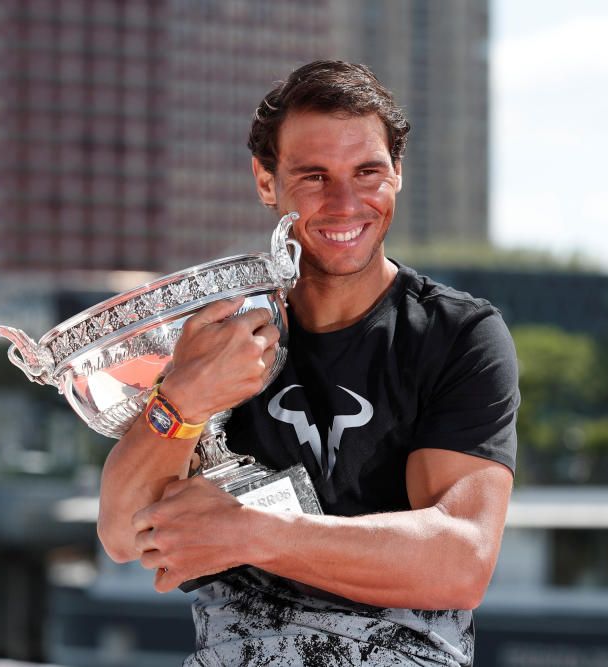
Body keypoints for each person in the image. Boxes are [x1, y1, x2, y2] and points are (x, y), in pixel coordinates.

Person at [97, 60, 519, 666]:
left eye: (368, 171)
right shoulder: (215, 333)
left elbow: (460, 562)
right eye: (314, 176)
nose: (345, 204)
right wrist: (182, 401)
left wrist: (248, 532)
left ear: (397, 173)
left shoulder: (458, 336)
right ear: (266, 181)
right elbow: (120, 533)